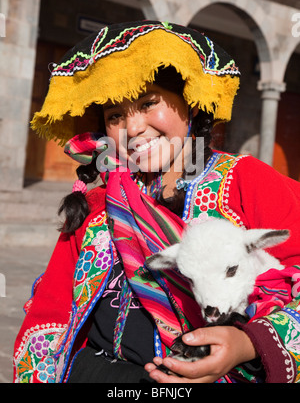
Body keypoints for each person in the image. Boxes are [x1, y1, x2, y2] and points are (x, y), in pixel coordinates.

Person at [13, 20, 300, 384]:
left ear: (191, 105)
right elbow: (50, 313)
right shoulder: (98, 203)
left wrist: (246, 344)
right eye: (115, 116)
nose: (132, 129)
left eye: (148, 103)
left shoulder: (246, 180)